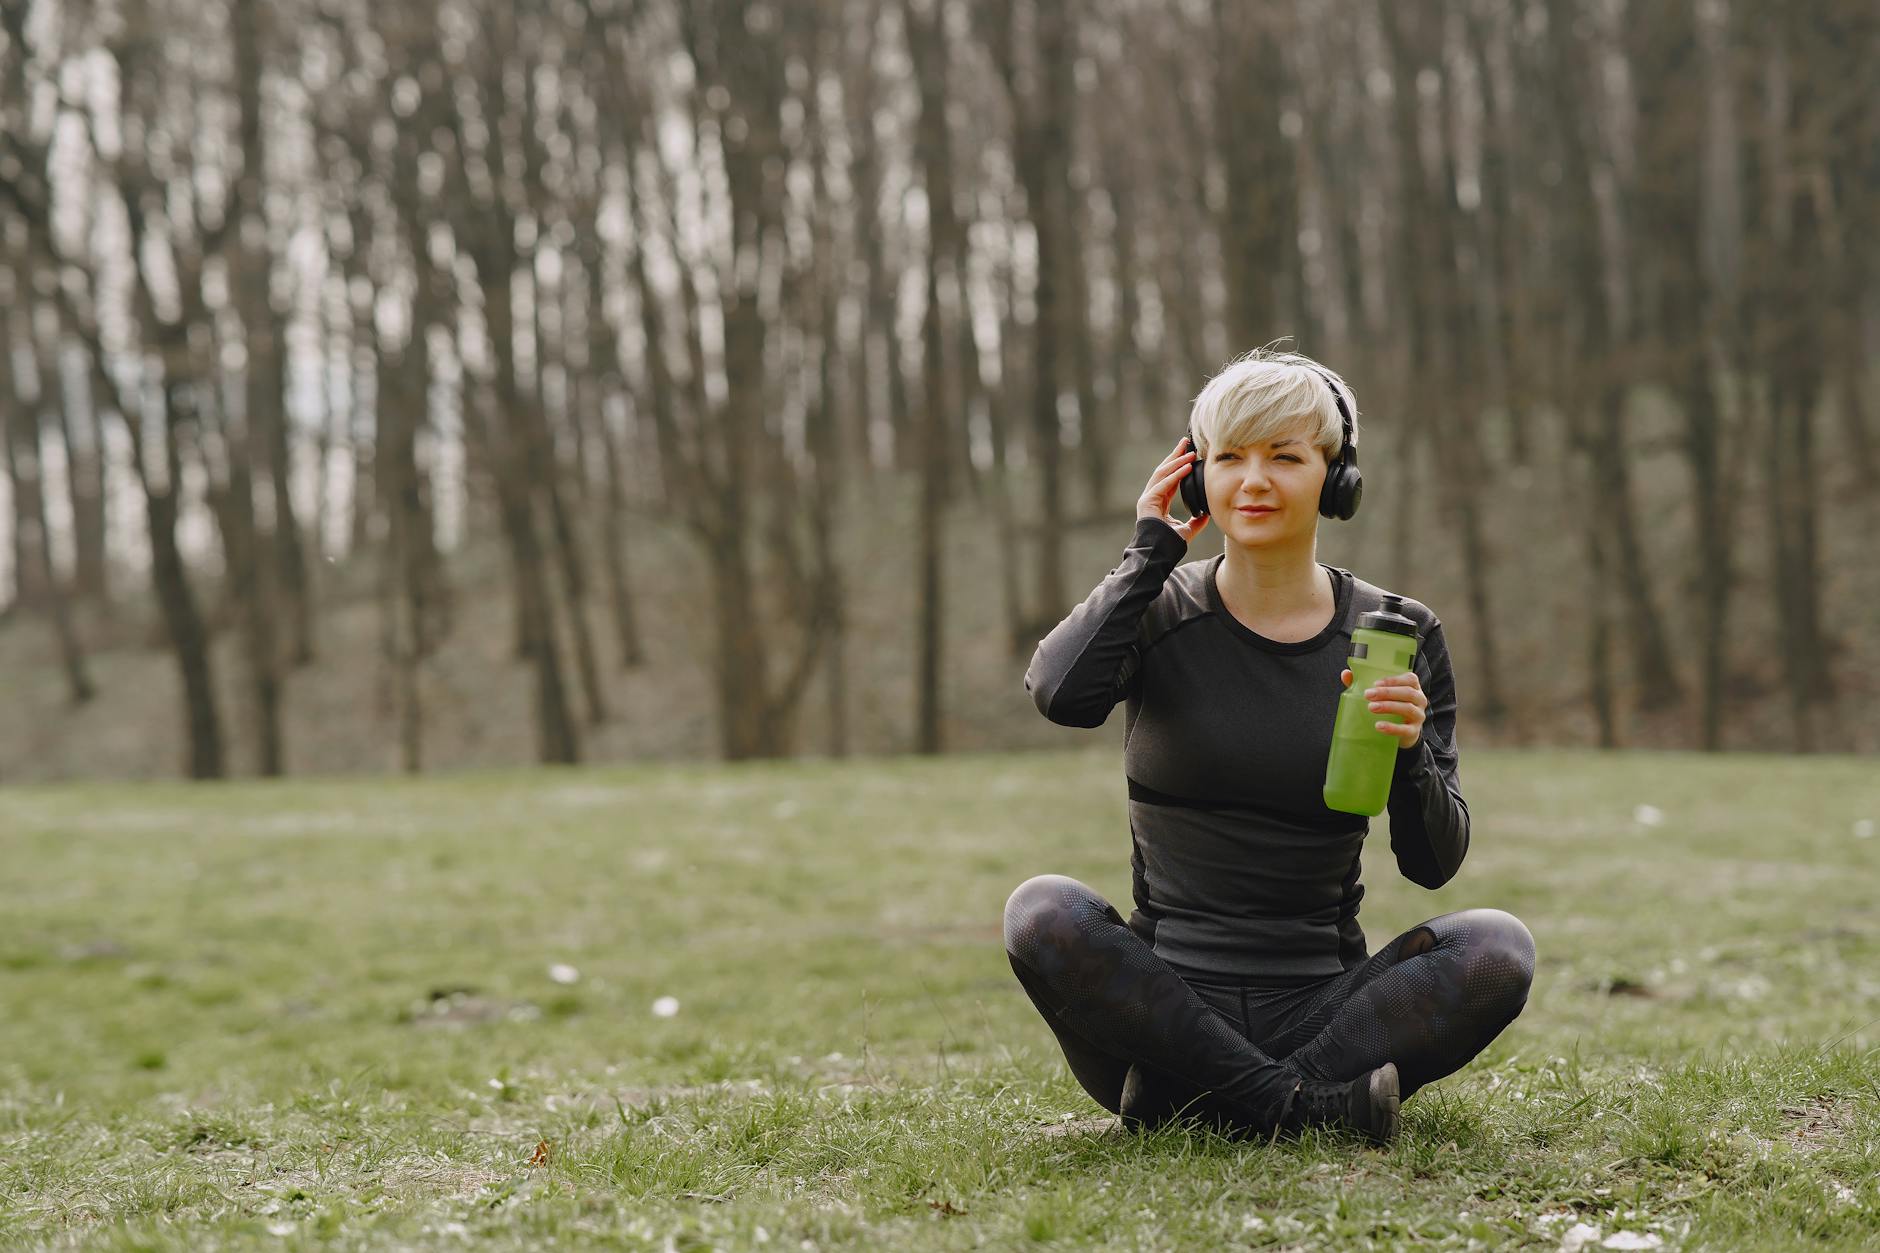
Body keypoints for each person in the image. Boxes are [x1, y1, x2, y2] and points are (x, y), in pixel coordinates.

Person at [1002, 347, 1535, 1146]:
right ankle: (1300, 1107)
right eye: (1230, 457)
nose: (1254, 481)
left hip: (1325, 1009)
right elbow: (1060, 694)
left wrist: (1411, 751)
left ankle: (1202, 1100)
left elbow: (1433, 862)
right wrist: (1147, 552)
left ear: (1335, 478)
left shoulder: (1398, 632)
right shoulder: (1153, 611)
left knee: (1498, 947)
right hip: (1160, 1008)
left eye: (1285, 456)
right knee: (1041, 910)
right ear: (1195, 476)